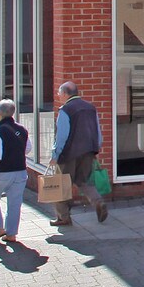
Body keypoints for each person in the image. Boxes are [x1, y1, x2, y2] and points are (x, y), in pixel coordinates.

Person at [49, 81, 109, 226]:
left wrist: (55, 155)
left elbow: (61, 136)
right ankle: (98, 202)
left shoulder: (65, 110)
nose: (58, 95)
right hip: (88, 151)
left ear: (65, 93)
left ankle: (63, 217)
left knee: (61, 185)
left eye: (59, 93)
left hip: (68, 154)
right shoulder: (90, 108)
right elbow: (98, 132)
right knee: (84, 181)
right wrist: (96, 147)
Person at [0, 98, 28, 245]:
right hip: (21, 171)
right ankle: (11, 234)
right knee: (15, 203)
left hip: (3, 172)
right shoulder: (22, 130)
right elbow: (27, 149)